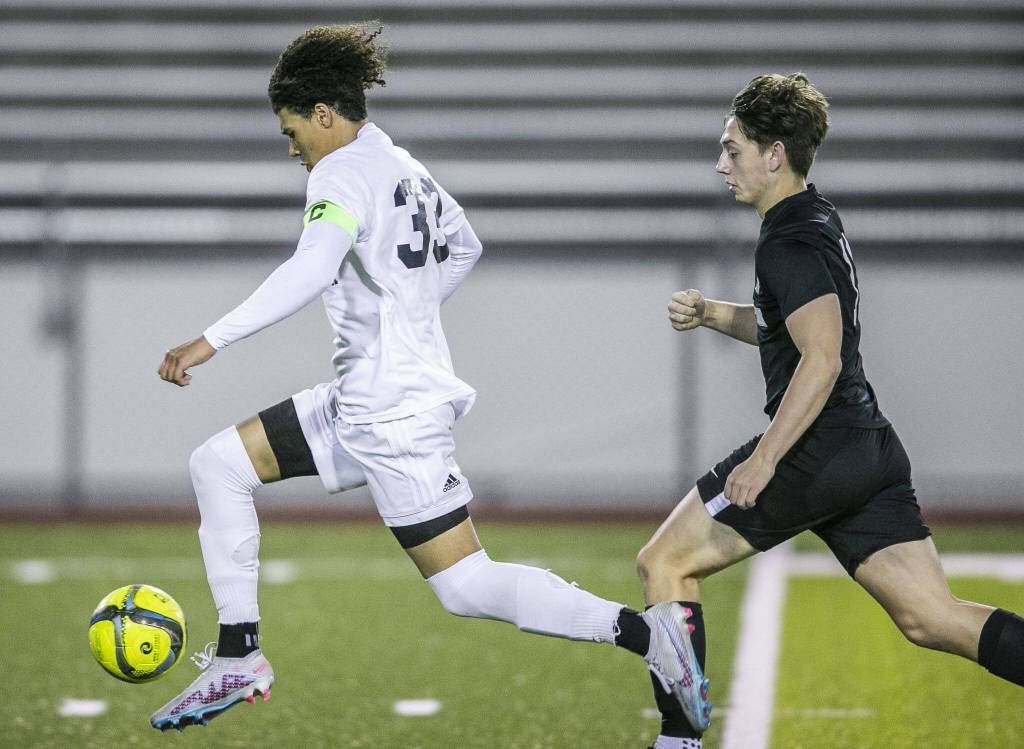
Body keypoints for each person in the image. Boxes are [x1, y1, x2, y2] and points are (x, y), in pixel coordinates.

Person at [149, 23, 702, 732]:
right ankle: (238, 654)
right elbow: (465, 242)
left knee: (466, 584)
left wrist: (210, 340)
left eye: (293, 130)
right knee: (219, 464)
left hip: (390, 413)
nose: (291, 147)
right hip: (370, 398)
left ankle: (652, 636)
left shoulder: (340, 171)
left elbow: (313, 267)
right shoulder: (398, 162)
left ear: (324, 115)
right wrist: (406, 317)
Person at [635, 72, 1024, 749]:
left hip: (817, 449)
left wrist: (764, 458)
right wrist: (712, 314)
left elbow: (822, 358)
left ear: (774, 153)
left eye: (732, 149)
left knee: (664, 562)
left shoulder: (790, 240)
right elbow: (790, 327)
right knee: (933, 617)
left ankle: (677, 742)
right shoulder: (811, 216)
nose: (720, 164)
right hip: (863, 447)